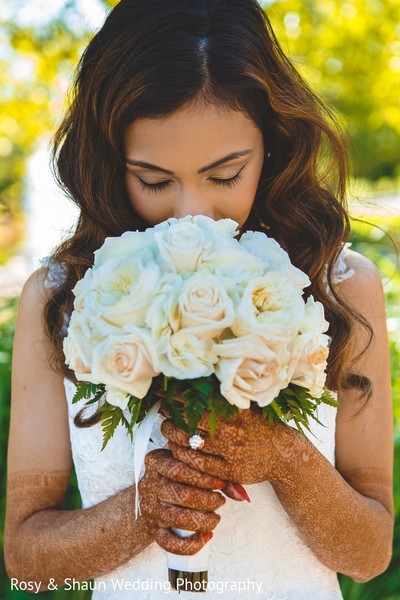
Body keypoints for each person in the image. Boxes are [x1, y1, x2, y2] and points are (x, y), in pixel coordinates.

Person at [4, 1, 394, 598]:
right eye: (154, 181)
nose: (190, 214)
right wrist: (140, 512)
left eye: (225, 174)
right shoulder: (59, 299)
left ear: (274, 143)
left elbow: (368, 556)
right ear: (111, 162)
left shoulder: (339, 286)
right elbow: (26, 560)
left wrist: (283, 456)